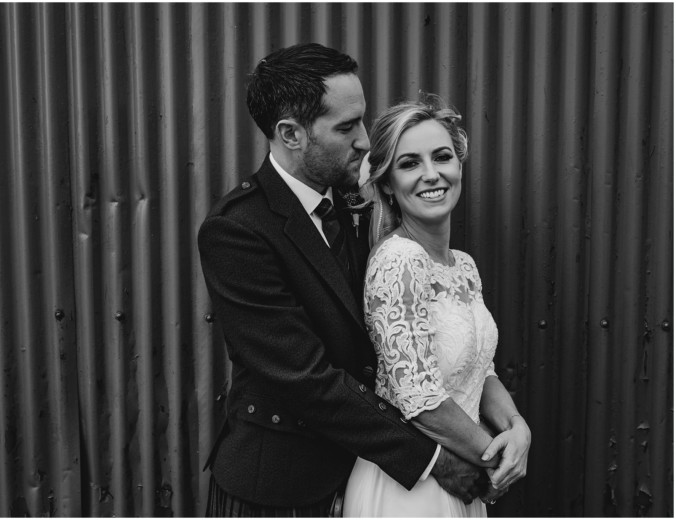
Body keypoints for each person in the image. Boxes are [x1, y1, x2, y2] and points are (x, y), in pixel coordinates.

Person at [197, 44, 489, 516]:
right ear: (291, 134)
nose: (364, 141)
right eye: (346, 126)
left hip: (366, 476)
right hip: (281, 489)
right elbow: (304, 377)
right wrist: (432, 459)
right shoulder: (238, 231)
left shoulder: (360, 205)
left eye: (363, 121)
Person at [343, 96, 531, 517]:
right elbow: (420, 401)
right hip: (411, 490)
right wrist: (495, 458)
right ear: (387, 182)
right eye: (410, 163)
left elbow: (481, 370)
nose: (432, 174)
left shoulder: (462, 266)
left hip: (463, 475)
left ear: (459, 165)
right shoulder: (398, 260)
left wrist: (517, 428)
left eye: (442, 157)